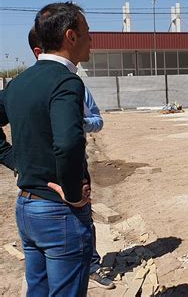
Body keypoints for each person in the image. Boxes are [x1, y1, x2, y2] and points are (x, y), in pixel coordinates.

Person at [2, 2, 93, 296]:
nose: (91, 39)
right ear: (71, 36)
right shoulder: (66, 82)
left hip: (27, 210)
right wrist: (73, 193)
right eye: (87, 32)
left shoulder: (19, 83)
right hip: (59, 213)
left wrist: (15, 159)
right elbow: (68, 142)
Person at [28, 28, 114, 289]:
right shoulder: (28, 86)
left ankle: (92, 264)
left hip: (58, 189)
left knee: (43, 280)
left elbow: (95, 122)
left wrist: (74, 122)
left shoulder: (73, 86)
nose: (90, 41)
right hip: (43, 194)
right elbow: (64, 145)